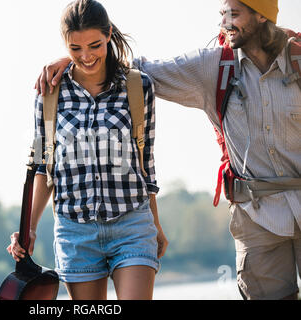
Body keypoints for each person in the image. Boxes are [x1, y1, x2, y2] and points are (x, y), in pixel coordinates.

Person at [35, 0, 301, 300]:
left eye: (234, 14)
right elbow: (137, 72)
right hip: (258, 219)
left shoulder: (298, 59)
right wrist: (75, 61)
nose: (224, 22)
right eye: (222, 13)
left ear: (262, 16)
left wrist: (80, 56)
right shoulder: (212, 67)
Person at [7, 0, 168, 300]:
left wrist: (155, 223)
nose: (86, 56)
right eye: (75, 49)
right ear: (65, 45)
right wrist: (29, 229)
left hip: (132, 224)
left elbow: (146, 163)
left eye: (94, 45)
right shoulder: (48, 94)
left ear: (108, 35)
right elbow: (43, 167)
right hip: (75, 233)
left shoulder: (138, 86)